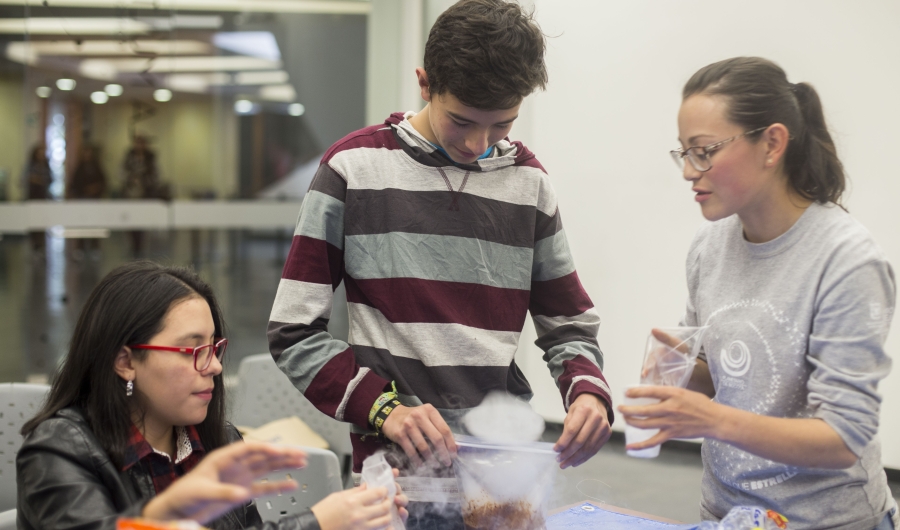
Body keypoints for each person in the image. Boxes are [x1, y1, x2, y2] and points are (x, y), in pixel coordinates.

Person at [268, 1, 613, 526]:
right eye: (463, 121)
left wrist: (587, 390)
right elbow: (293, 331)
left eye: (502, 125)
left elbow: (567, 325)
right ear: (425, 83)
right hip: (397, 473)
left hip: (501, 469)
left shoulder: (529, 183)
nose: (478, 145)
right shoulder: (353, 169)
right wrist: (385, 410)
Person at [619, 57, 897, 530]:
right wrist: (679, 372)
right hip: (729, 516)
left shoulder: (847, 260)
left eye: (704, 151)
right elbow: (721, 374)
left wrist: (710, 419)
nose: (689, 171)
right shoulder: (710, 246)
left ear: (772, 143)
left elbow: (844, 438)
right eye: (683, 152)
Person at [17, 261, 408, 530]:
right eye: (192, 351)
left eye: (215, 347)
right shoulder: (58, 451)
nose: (216, 367)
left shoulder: (214, 442)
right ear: (125, 361)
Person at [68, 144, 108, 258]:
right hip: (82, 201)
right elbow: (74, 184)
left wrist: (95, 189)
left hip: (94, 201)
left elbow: (103, 182)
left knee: (94, 224)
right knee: (82, 225)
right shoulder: (79, 168)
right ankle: (80, 248)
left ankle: (94, 247)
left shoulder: (97, 167)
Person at [22, 144, 52, 253]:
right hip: (32, 197)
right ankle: (34, 246)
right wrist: (33, 179)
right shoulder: (30, 165)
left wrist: (38, 180)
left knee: (42, 223)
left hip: (43, 197)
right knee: (33, 224)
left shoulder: (46, 165)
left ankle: (41, 246)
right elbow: (23, 179)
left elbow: (50, 179)